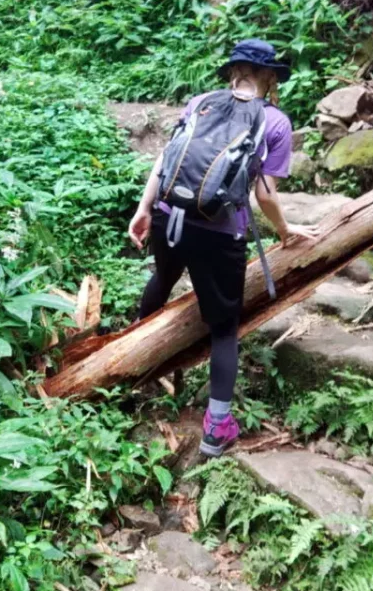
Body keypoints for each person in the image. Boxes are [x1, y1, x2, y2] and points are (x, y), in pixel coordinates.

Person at [128, 39, 318, 457]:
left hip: (166, 215)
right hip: (218, 233)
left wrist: (144, 209)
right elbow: (265, 196)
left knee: (163, 276)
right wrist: (285, 232)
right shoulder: (275, 123)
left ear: (233, 73)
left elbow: (166, 159)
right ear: (269, 78)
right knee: (223, 328)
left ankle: (129, 365)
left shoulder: (201, 102)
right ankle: (217, 428)